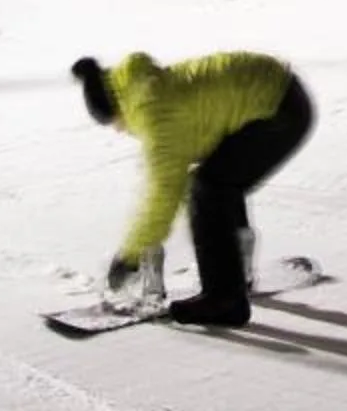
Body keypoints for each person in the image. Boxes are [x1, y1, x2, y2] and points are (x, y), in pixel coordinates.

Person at [72, 50, 315, 329]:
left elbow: (163, 194)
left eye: (112, 122)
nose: (117, 130)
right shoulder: (149, 87)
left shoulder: (156, 114)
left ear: (117, 108)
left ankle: (224, 299)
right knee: (218, 179)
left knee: (208, 189)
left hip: (278, 110)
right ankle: (238, 271)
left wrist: (130, 255)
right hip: (279, 94)